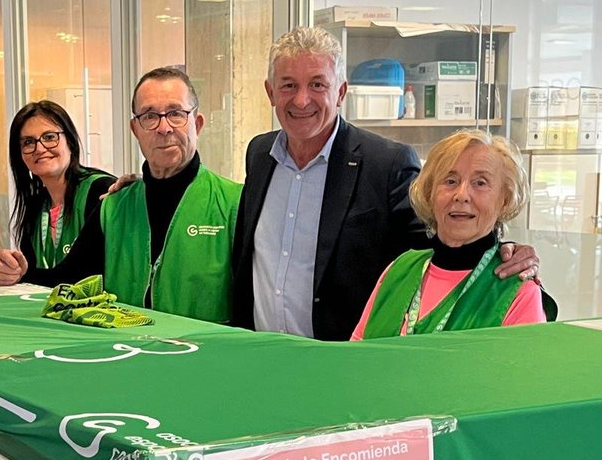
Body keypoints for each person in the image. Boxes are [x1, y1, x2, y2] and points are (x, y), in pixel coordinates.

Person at [232, 26, 542, 341]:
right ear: (270, 92)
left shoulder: (385, 164)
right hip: (262, 354)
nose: (301, 100)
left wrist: (504, 251)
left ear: (340, 92)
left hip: (348, 362)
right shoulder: (259, 154)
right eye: (288, 85)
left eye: (317, 84)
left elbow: (446, 241)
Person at [0, 67, 241, 325]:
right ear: (135, 129)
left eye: (176, 114)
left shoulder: (235, 203)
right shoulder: (113, 208)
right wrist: (18, 274)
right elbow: (70, 279)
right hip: (127, 355)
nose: (163, 127)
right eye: (150, 116)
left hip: (205, 356)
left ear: (197, 123)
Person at [352, 130, 544, 338]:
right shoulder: (398, 271)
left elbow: (523, 369)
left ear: (505, 200)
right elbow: (354, 359)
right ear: (429, 192)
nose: (461, 195)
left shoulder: (517, 292)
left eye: (480, 183)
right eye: (450, 181)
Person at [8, 100, 115, 272]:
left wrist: (22, 276)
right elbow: (28, 270)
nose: (39, 148)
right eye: (28, 142)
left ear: (70, 143)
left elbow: (82, 274)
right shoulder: (35, 206)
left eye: (49, 137)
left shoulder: (100, 190)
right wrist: (9, 272)